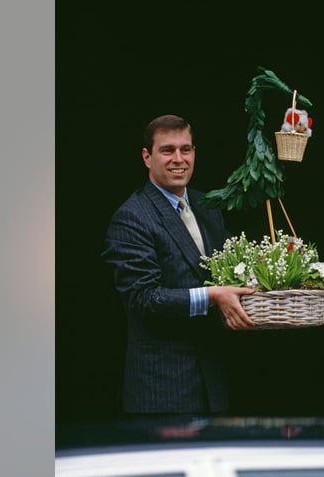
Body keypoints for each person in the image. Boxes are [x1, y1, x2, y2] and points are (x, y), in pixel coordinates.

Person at [102, 114, 256, 416]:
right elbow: (143, 299)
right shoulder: (132, 217)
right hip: (161, 390)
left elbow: (230, 269)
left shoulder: (207, 207)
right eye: (167, 150)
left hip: (214, 383)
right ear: (147, 157)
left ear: (195, 153)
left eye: (186, 149)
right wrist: (213, 296)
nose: (178, 159)